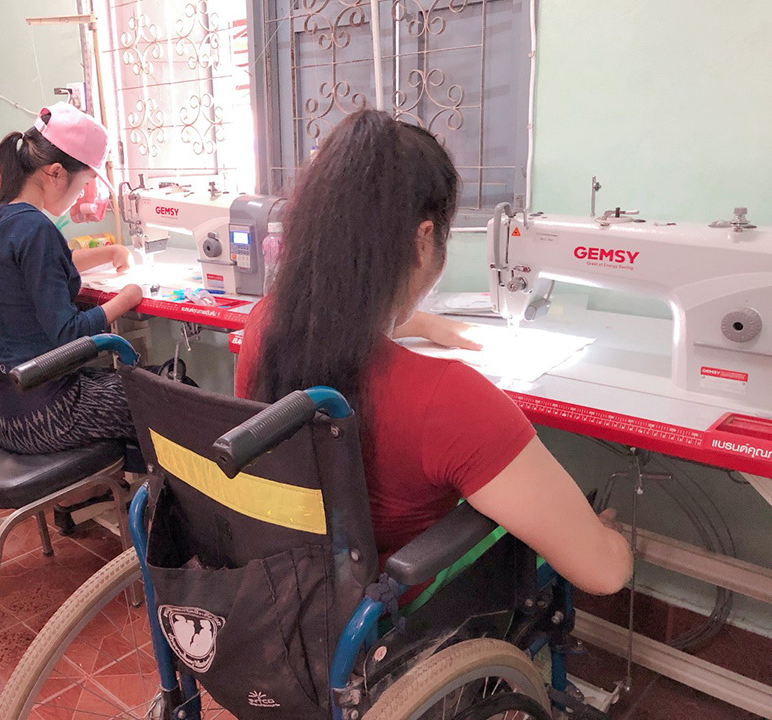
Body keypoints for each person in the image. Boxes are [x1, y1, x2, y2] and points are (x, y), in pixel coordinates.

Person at [235, 110, 632, 597]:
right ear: (423, 242)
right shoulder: (449, 400)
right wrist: (611, 537)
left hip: (287, 592)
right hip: (393, 614)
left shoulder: (264, 327)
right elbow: (604, 575)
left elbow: (337, 326)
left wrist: (421, 323)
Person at [0, 102, 143, 455]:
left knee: (135, 387)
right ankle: (161, 488)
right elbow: (68, 333)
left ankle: (119, 482)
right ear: (56, 172)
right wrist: (129, 297)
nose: (83, 194)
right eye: (84, 183)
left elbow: (44, 267)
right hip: (43, 416)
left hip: (0, 410)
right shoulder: (35, 229)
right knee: (169, 394)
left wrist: (110, 252)